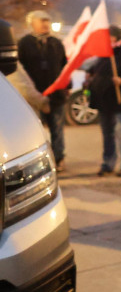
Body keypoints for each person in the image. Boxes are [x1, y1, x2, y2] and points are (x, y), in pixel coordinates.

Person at [86, 26, 121, 177]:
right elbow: (98, 68)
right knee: (107, 133)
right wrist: (90, 73)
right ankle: (108, 163)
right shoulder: (105, 52)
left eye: (108, 36)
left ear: (116, 37)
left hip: (120, 100)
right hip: (104, 100)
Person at [17, 9, 68, 171]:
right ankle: (38, 162)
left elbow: (64, 66)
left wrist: (67, 86)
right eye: (42, 21)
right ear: (32, 23)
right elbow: (19, 70)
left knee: (57, 130)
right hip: (34, 96)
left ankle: (59, 158)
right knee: (36, 131)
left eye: (48, 21)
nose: (46, 24)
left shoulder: (56, 43)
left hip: (56, 95)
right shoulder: (24, 43)